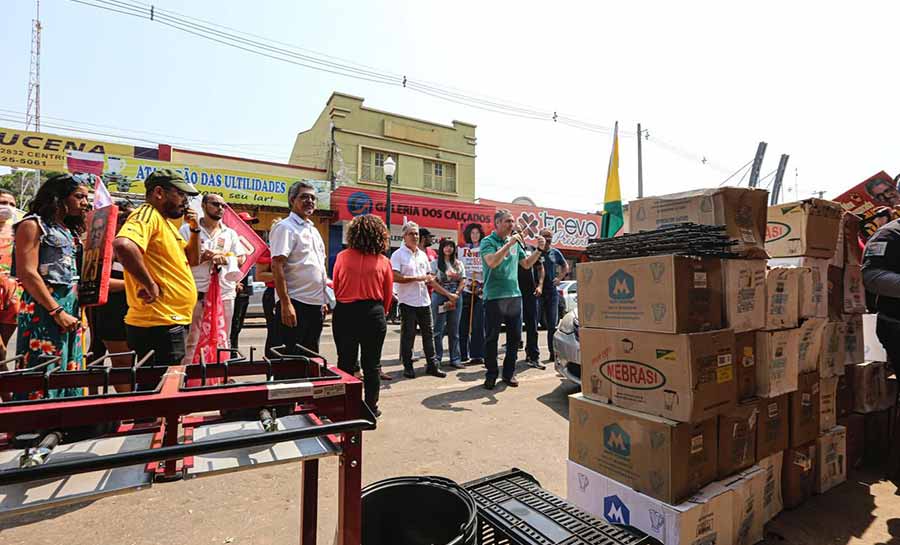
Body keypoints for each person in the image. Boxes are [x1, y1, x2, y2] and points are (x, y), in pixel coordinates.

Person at [11, 174, 89, 398]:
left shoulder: (67, 229)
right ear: (58, 197)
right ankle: (34, 424)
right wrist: (57, 311)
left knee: (67, 363)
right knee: (43, 363)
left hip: (69, 304)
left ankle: (62, 419)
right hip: (45, 305)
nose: (85, 202)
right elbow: (28, 273)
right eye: (78, 197)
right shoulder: (33, 224)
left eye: (86, 197)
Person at [113, 169, 201, 368]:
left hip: (170, 321)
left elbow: (193, 260)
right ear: (159, 192)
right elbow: (123, 245)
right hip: (159, 323)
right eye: (180, 194)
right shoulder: (147, 214)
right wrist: (149, 284)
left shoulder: (166, 223)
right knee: (160, 390)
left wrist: (195, 229)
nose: (185, 201)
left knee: (162, 388)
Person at [332, 214, 393, 417]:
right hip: (373, 313)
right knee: (372, 365)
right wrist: (379, 314)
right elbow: (387, 295)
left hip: (345, 313)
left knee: (346, 363)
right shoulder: (383, 261)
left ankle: (346, 408)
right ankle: (370, 409)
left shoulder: (342, 257)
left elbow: (337, 287)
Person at [179, 193, 247, 363]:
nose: (220, 208)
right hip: (196, 293)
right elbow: (181, 259)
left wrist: (225, 258)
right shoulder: (187, 229)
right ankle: (190, 380)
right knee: (192, 339)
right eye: (216, 204)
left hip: (224, 294)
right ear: (203, 205)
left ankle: (217, 378)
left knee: (222, 338)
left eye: (224, 205)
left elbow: (241, 258)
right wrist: (205, 257)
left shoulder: (230, 233)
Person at [480, 210, 544, 389]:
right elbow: (492, 262)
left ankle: (508, 374)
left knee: (515, 338)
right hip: (494, 296)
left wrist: (539, 250)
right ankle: (491, 374)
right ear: (498, 223)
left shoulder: (516, 242)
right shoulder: (488, 242)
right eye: (508, 221)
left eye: (512, 221)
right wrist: (510, 244)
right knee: (492, 338)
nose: (512, 224)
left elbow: (526, 264)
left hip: (514, 296)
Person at [270, 181, 328, 354]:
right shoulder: (285, 227)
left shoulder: (313, 230)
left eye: (313, 198)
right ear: (292, 200)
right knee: (290, 362)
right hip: (295, 304)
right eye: (304, 197)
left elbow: (318, 267)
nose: (309, 201)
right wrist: (285, 304)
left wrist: (323, 299)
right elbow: (276, 265)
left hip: (315, 305)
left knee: (310, 359)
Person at [391, 221, 446, 379]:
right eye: (411, 233)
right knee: (408, 336)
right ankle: (408, 366)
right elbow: (395, 277)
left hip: (424, 300)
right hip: (407, 301)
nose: (415, 236)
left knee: (429, 334)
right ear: (404, 236)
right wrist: (418, 278)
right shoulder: (398, 255)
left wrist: (432, 280)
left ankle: (432, 365)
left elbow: (429, 276)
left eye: (416, 233)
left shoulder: (422, 255)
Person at [93, 201, 136, 391]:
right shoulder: (101, 247)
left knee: (138, 364)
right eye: (124, 218)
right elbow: (101, 283)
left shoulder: (139, 245)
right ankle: (126, 408)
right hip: (111, 312)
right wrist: (137, 285)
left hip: (139, 312)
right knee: (121, 363)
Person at [431, 238, 466, 369]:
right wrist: (448, 294)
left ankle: (455, 358)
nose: (448, 248)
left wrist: (456, 293)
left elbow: (463, 280)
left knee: (454, 329)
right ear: (441, 248)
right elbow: (432, 282)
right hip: (440, 296)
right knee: (438, 329)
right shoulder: (434, 264)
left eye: (451, 246)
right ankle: (437, 358)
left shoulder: (459, 264)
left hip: (456, 298)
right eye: (445, 246)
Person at [537, 228, 570, 363]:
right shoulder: (535, 252)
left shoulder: (555, 252)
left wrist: (560, 277)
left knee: (552, 325)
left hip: (551, 292)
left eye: (550, 237)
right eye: (545, 236)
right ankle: (532, 355)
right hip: (537, 293)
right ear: (540, 237)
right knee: (533, 325)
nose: (548, 239)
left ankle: (552, 353)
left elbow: (565, 266)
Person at [231, 211, 259, 351]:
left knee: (238, 324)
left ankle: (234, 350)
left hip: (246, 291)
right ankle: (231, 352)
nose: (249, 226)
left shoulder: (251, 243)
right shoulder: (233, 240)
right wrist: (234, 282)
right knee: (232, 324)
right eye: (246, 223)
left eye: (250, 223)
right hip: (234, 290)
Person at [459, 223, 485, 365]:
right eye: (472, 233)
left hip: (480, 291)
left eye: (477, 233)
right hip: (466, 290)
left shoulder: (485, 248)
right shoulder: (463, 250)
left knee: (478, 324)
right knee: (463, 324)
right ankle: (463, 354)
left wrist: (481, 286)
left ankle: (477, 354)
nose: (474, 235)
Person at [0, 189, 20, 359]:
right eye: (3, 203)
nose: (7, 207)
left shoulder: (17, 230)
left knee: (3, 348)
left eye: (12, 204)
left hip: (12, 294)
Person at [256, 219, 280, 358]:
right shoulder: (268, 251)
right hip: (273, 294)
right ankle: (271, 368)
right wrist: (283, 276)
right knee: (274, 333)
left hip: (293, 294)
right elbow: (260, 275)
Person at [518, 244, 544, 368]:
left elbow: (540, 268)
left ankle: (533, 356)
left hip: (530, 292)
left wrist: (540, 285)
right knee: (512, 327)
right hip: (513, 291)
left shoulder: (532, 248)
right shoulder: (508, 246)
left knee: (532, 325)